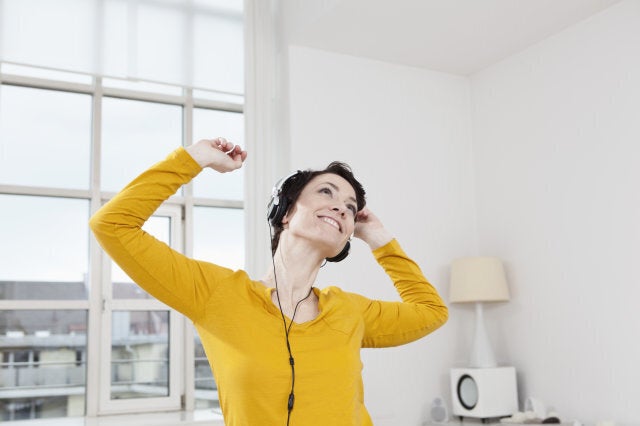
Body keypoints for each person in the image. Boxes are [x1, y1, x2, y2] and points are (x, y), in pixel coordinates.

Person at [89, 137, 448, 426]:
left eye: (352, 207)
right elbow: (113, 224)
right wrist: (194, 157)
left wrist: (380, 239)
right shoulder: (217, 294)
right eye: (327, 192)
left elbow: (432, 311)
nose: (342, 207)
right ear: (286, 212)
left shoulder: (351, 311)